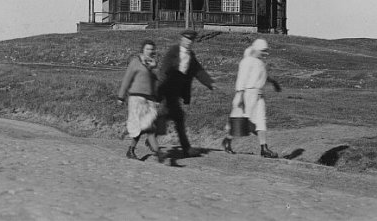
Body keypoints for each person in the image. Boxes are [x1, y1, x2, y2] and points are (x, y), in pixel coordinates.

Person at [157, 30, 215, 158]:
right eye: (186, 39)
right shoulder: (173, 51)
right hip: (169, 88)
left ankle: (152, 136)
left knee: (166, 116)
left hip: (178, 91)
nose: (188, 42)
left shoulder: (191, 56)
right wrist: (160, 88)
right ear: (181, 39)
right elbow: (164, 69)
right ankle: (186, 148)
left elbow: (198, 71)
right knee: (177, 118)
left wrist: (210, 83)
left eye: (191, 40)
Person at [221, 38, 282, 158]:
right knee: (240, 119)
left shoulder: (259, 62)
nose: (265, 53)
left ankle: (264, 148)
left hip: (259, 95)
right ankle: (227, 141)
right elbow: (241, 79)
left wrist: (273, 82)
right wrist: (240, 96)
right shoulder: (247, 61)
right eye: (263, 50)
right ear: (257, 49)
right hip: (247, 93)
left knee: (261, 119)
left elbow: (262, 75)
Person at [117, 39, 164, 162]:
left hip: (149, 99)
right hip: (136, 98)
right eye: (147, 49)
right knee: (142, 126)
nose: (150, 51)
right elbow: (127, 79)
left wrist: (154, 69)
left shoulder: (154, 64)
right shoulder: (135, 62)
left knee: (149, 125)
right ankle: (155, 151)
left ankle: (151, 150)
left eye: (152, 49)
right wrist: (121, 96)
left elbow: (157, 82)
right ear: (142, 49)